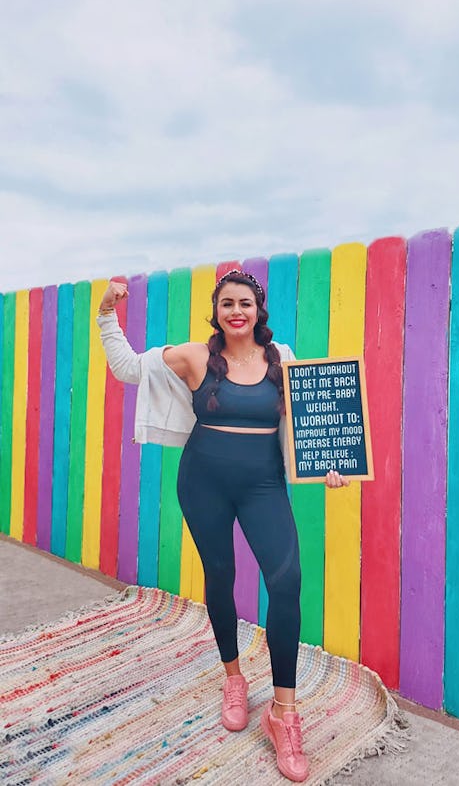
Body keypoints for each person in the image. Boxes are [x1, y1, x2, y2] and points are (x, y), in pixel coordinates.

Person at [97, 269, 349, 783]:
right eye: (228, 303)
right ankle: (234, 678)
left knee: (287, 581)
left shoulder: (284, 362)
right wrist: (106, 312)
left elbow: (308, 427)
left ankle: (284, 713)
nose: (237, 311)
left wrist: (327, 463)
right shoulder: (193, 357)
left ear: (259, 311)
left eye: (246, 304)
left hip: (263, 486)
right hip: (203, 484)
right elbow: (126, 367)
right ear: (217, 311)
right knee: (221, 577)